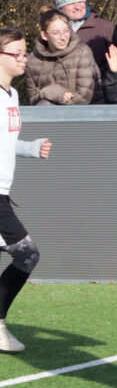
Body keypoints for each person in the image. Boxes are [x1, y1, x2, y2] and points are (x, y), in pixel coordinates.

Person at [0, 29, 52, 353]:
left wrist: (30, 148)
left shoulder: (12, 97)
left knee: (24, 254)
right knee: (27, 253)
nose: (23, 58)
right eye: (16, 53)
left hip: (3, 192)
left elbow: (5, 144)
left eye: (24, 53)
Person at [24, 8, 98, 105]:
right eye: (56, 33)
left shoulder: (82, 53)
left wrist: (54, 97)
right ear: (44, 35)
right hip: (47, 115)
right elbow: (34, 100)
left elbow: (83, 98)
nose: (63, 37)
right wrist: (52, 92)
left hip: (87, 114)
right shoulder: (33, 61)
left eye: (66, 31)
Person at [54, 0, 113, 82]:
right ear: (60, 8)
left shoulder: (105, 28)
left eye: (80, 1)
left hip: (100, 93)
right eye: (71, 3)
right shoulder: (53, 32)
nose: (78, 7)